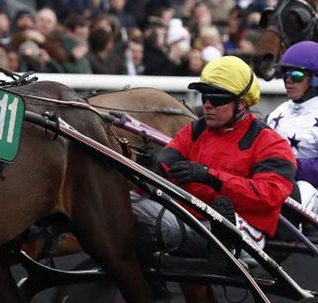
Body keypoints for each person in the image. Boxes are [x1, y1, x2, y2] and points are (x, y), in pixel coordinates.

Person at [132, 55, 296, 262]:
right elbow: (164, 169)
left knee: (224, 219)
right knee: (125, 201)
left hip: (245, 233)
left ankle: (227, 241)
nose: (208, 105)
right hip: (190, 220)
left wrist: (211, 177)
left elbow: (270, 195)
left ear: (242, 104)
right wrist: (146, 171)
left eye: (217, 99)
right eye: (204, 97)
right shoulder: (194, 130)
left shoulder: (270, 142)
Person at [266, 41, 318, 216]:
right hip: (275, 187)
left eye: (296, 75)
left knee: (302, 189)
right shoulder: (276, 113)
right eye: (284, 74)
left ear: (315, 78)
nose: (288, 80)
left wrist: (287, 166)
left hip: (308, 192)